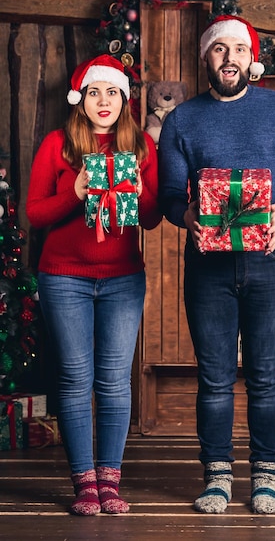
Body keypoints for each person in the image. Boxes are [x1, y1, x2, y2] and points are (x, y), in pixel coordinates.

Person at [158, 15, 275, 514]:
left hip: (271, 261)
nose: (230, 58)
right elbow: (167, 198)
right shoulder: (183, 120)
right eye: (219, 50)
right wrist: (189, 217)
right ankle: (218, 476)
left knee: (267, 374)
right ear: (206, 58)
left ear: (252, 58)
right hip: (209, 268)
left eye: (239, 50)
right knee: (215, 376)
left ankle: (266, 477)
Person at [26, 54, 162, 516]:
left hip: (123, 280)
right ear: (80, 100)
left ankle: (110, 480)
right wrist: (77, 191)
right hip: (65, 277)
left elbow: (152, 217)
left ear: (124, 99)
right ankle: (83, 481)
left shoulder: (141, 145)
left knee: (114, 381)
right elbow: (35, 213)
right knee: (75, 378)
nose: (103, 101)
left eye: (112, 93)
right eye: (94, 93)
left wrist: (137, 186)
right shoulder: (58, 145)